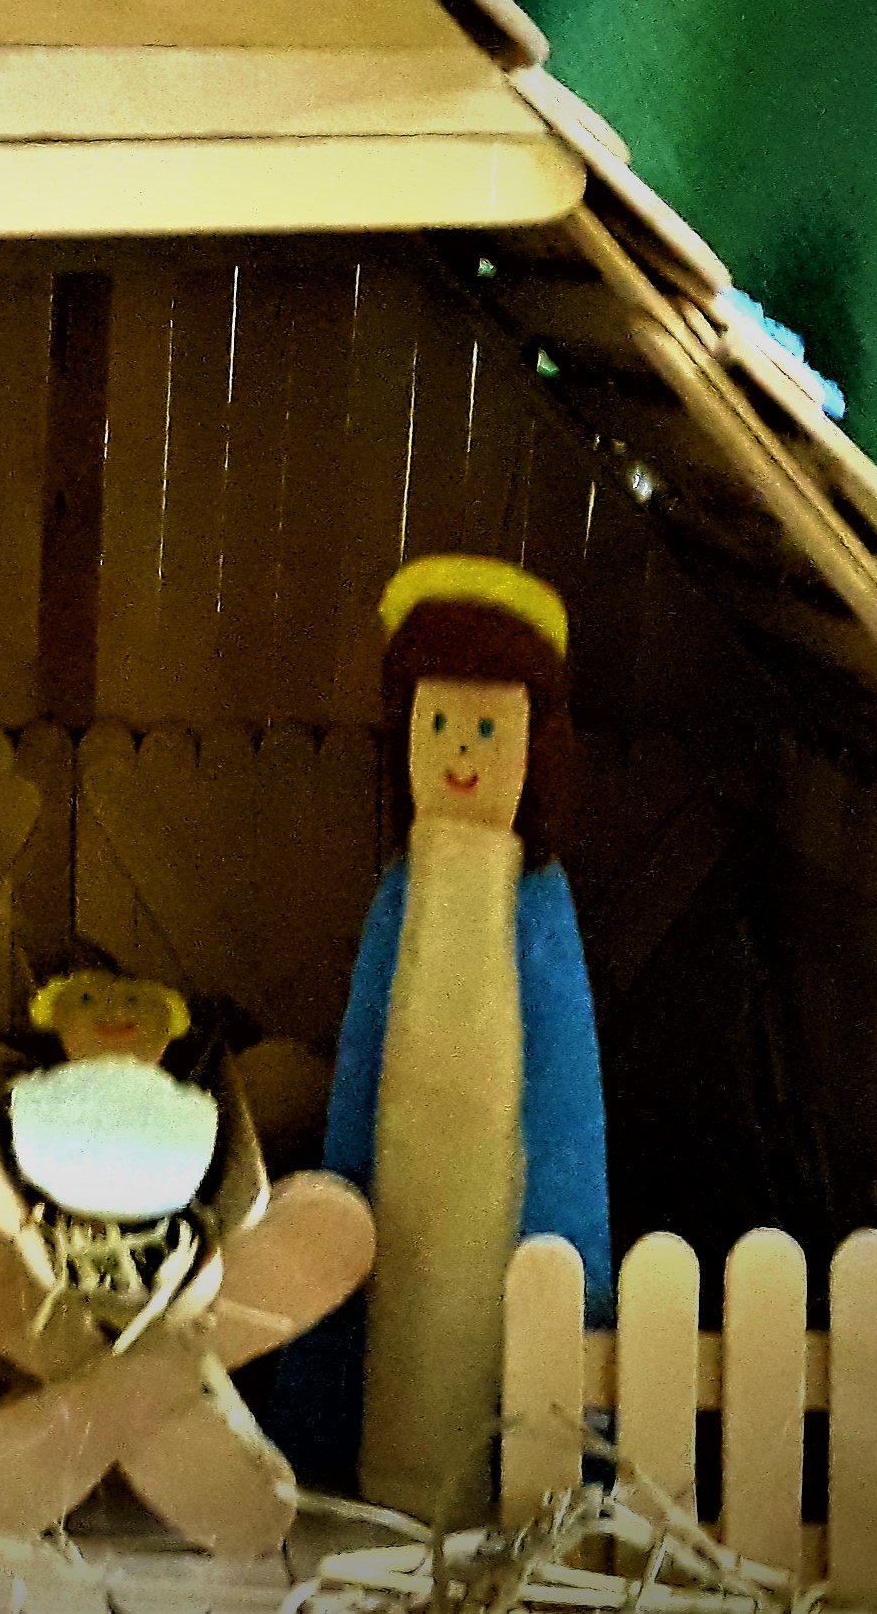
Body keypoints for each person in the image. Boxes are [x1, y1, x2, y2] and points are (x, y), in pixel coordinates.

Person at [284, 554, 613, 1519]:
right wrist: (349, 1169)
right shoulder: (401, 893)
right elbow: (363, 1047)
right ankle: (385, 1468)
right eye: (437, 726)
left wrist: (563, 1219)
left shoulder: (540, 906)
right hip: (404, 1184)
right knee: (403, 1320)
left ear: (533, 746)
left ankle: (497, 1480)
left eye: (486, 729)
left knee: (488, 1322)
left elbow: (566, 1090)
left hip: (504, 1200)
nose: (461, 753)